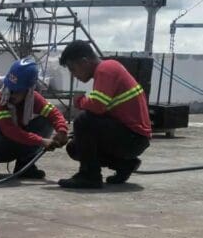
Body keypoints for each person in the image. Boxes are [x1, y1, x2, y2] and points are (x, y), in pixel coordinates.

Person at [58, 41, 151, 189]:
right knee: (75, 147)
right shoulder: (106, 70)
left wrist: (80, 101)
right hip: (132, 138)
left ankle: (89, 176)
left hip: (133, 138)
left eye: (73, 69)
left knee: (83, 120)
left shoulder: (106, 69)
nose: (74, 75)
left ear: (84, 61)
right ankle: (125, 164)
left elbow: (97, 107)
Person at [0, 58, 68, 182]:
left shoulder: (33, 99)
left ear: (28, 90)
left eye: (17, 91)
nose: (11, 94)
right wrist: (42, 141)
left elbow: (54, 113)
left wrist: (62, 130)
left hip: (14, 146)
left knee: (46, 120)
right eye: (10, 89)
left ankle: (24, 165)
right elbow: (10, 131)